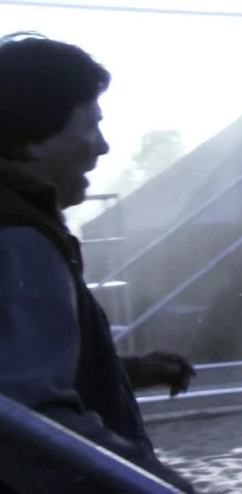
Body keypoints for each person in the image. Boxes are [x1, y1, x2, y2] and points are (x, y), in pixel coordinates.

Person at [0, 33, 195, 492]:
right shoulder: (20, 236)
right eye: (90, 127)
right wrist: (154, 484)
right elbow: (32, 424)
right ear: (33, 140)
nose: (103, 147)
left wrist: (122, 372)